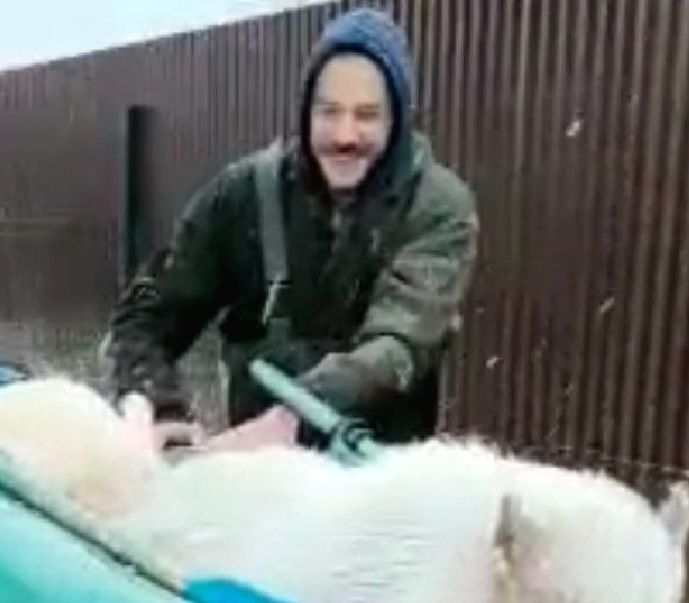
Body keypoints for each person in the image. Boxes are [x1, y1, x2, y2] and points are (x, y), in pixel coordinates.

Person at [102, 8, 480, 451]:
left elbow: (398, 346)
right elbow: (145, 317)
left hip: (381, 486)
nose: (345, 134)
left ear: (397, 121)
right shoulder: (241, 196)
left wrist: (295, 415)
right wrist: (155, 406)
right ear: (305, 113)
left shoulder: (438, 209)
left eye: (367, 115)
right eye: (329, 112)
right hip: (261, 485)